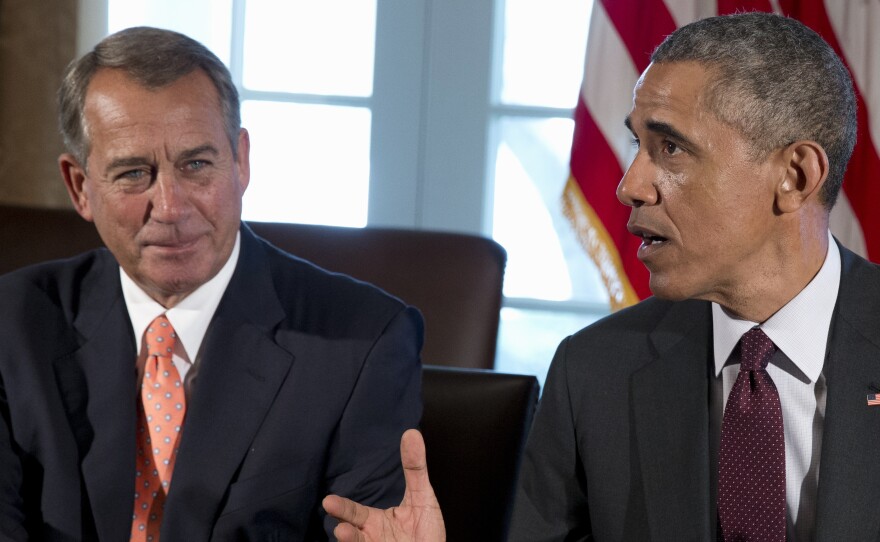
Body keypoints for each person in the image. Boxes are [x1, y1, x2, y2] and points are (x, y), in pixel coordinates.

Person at [324, 11, 873, 541]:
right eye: (639, 144)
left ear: (796, 175)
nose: (629, 185)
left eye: (672, 148)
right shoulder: (592, 372)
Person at [0, 27, 423, 541]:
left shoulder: (362, 343)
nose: (172, 208)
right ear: (80, 187)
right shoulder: (14, 323)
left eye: (196, 164)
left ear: (240, 162)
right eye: (134, 173)